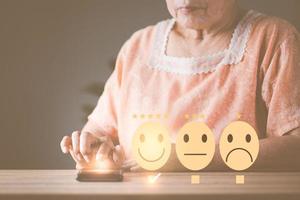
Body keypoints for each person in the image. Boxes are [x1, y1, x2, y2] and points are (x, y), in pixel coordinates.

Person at [60, 0, 300, 171]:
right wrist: (91, 147)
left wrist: (191, 158)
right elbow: (100, 130)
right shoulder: (138, 46)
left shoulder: (273, 39)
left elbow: (295, 148)